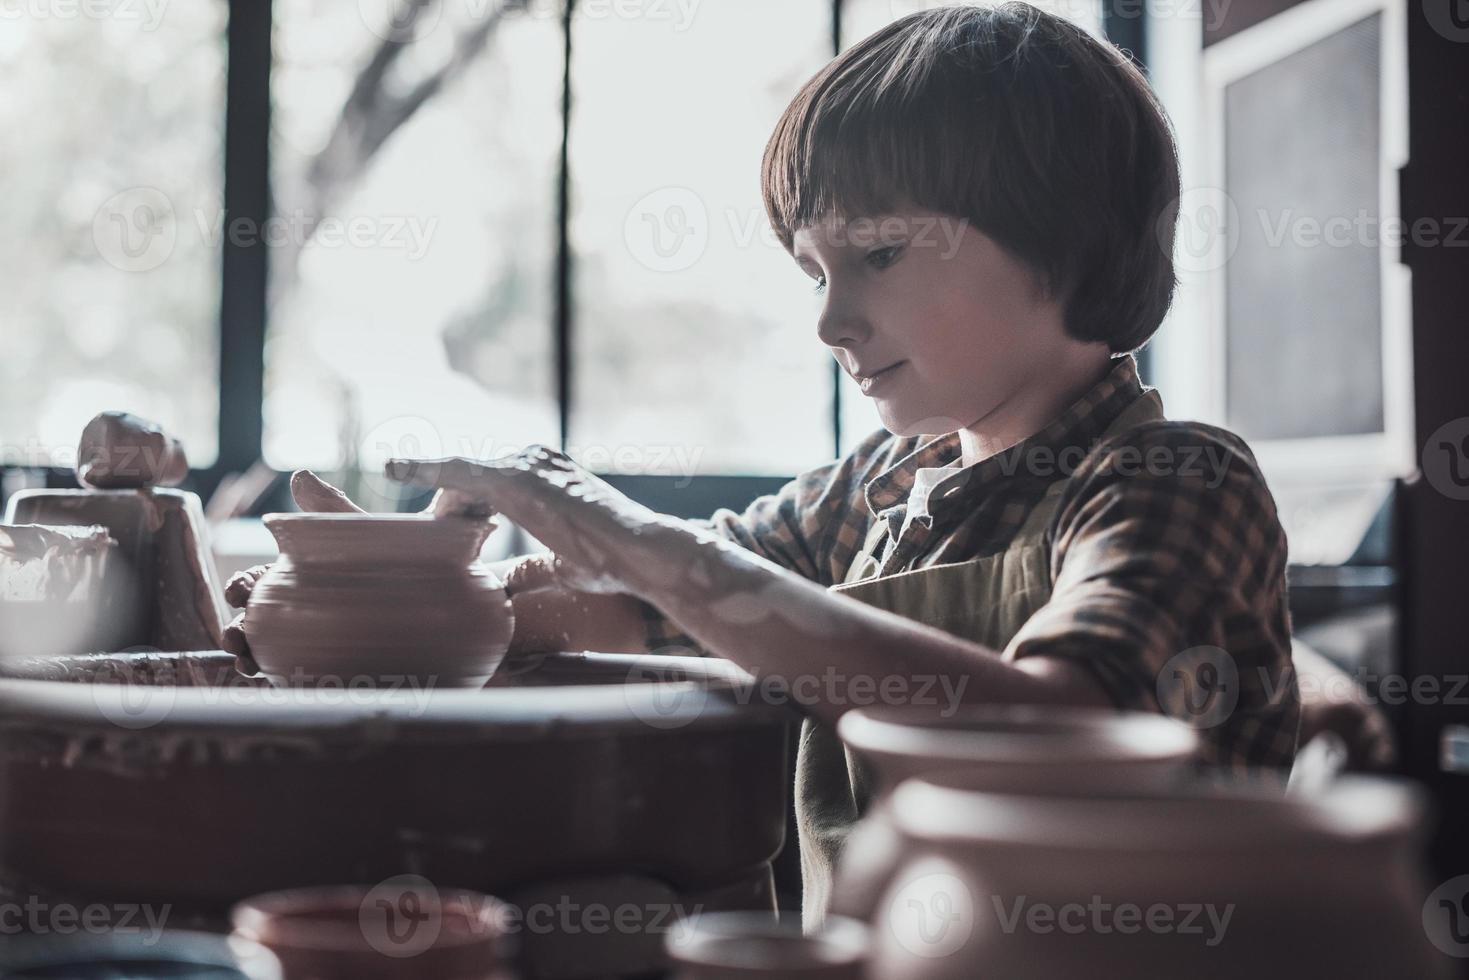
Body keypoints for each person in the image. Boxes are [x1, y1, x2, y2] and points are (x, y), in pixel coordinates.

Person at [226, 2, 1299, 924]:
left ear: (1060, 235)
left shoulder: (1168, 478)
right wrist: (401, 593)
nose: (832, 319)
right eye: (812, 271)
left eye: (877, 254)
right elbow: (630, 609)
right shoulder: (869, 494)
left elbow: (1069, 733)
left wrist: (642, 540)